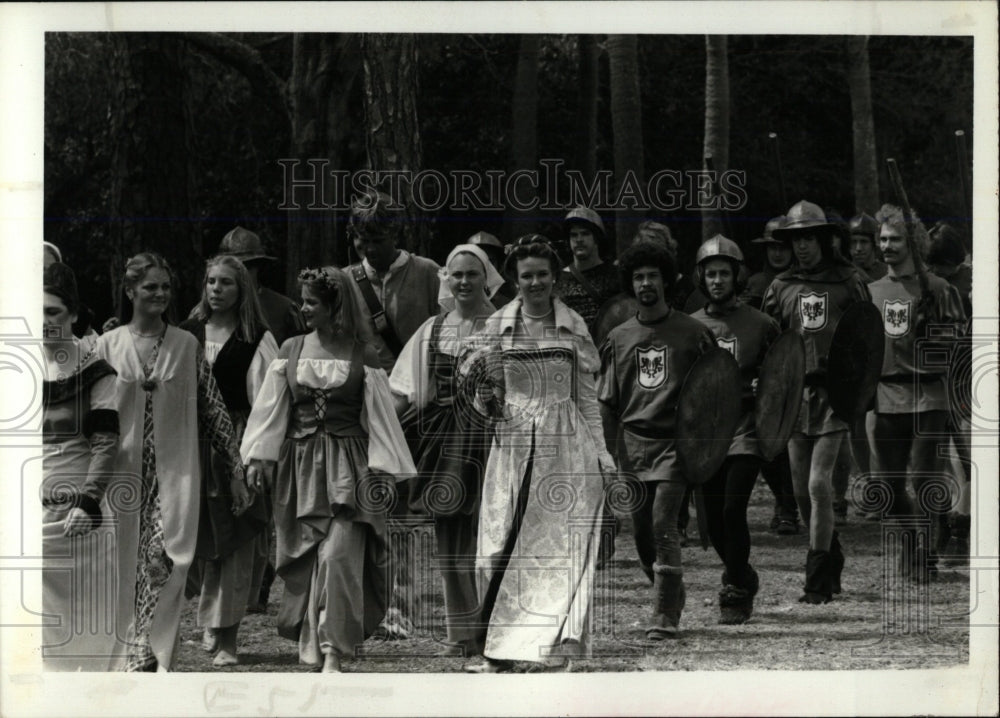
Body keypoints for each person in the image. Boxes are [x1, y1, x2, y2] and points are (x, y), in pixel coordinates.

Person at [241, 266, 417, 673]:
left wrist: (385, 470)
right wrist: (259, 457)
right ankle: (314, 643)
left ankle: (335, 649)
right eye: (302, 300)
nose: (302, 308)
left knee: (339, 555)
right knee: (309, 557)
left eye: (311, 302)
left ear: (335, 306)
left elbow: (380, 419)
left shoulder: (362, 353)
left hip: (350, 465)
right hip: (300, 467)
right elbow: (271, 411)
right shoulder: (290, 349)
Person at [461, 236, 615, 672]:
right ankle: (500, 650)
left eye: (542, 275)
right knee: (499, 546)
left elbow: (587, 400)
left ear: (555, 277)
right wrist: (485, 398)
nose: (534, 283)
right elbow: (486, 393)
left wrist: (602, 457)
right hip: (512, 446)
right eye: (526, 275)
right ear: (515, 277)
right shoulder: (498, 326)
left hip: (565, 446)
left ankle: (549, 648)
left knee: (559, 551)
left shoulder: (573, 326)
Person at [97, 252, 246, 671]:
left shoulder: (185, 344)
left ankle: (149, 646)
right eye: (150, 287)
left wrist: (235, 468)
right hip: (121, 477)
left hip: (173, 475)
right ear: (130, 291)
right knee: (121, 565)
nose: (160, 294)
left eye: (165, 287)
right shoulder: (106, 346)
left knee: (166, 561)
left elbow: (214, 410)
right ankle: (124, 651)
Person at [389, 243, 504, 659]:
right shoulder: (432, 330)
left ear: (486, 277)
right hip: (447, 444)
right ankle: (461, 632)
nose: (464, 282)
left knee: (491, 536)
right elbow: (403, 390)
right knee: (452, 537)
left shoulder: (503, 325)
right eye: (456, 274)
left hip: (494, 442)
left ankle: (494, 631)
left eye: (472, 274)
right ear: (446, 280)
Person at [598, 241, 715, 639]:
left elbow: (715, 392)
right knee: (642, 535)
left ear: (666, 280)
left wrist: (705, 449)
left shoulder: (695, 333)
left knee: (665, 524)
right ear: (631, 283)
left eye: (652, 275)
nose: (646, 282)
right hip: (632, 446)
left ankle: (664, 615)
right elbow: (608, 402)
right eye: (638, 276)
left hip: (675, 446)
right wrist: (609, 455)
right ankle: (671, 590)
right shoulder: (618, 338)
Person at [763, 201, 871, 604]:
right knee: (799, 488)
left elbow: (866, 338)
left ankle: (817, 576)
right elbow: (772, 343)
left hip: (833, 396)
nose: (803, 247)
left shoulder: (849, 281)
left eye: (809, 237)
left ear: (824, 239)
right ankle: (831, 550)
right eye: (795, 239)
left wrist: (856, 391)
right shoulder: (780, 287)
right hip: (795, 397)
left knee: (818, 484)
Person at [346, 189, 441, 640]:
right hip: (362, 411)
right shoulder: (346, 281)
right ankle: (372, 601)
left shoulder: (427, 273)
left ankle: (404, 604)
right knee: (371, 507)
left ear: (396, 234)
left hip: (416, 409)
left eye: (378, 239)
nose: (369, 250)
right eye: (362, 240)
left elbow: (454, 324)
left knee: (404, 510)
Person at [180, 255, 277, 666]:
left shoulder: (256, 338)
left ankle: (228, 637)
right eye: (211, 281)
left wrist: (255, 457)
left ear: (243, 291)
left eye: (226, 283)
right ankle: (211, 617)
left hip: (236, 444)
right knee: (199, 542)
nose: (216, 289)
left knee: (236, 540)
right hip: (188, 446)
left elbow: (268, 404)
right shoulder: (185, 334)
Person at [867, 205, 966, 579]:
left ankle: (925, 552)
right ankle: (912, 541)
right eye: (883, 238)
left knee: (925, 482)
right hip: (886, 396)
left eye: (895, 238)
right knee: (889, 487)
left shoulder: (938, 289)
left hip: (928, 396)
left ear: (912, 242)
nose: (887, 245)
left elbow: (958, 348)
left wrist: (931, 328)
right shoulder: (871, 290)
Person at [690, 236, 781, 624]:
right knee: (710, 517)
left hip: (746, 427)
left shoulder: (761, 324)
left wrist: (767, 385)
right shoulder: (691, 326)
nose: (717, 280)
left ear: (736, 276)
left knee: (732, 509)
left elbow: (782, 373)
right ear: (702, 278)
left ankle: (735, 588)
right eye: (710, 273)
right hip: (708, 433)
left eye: (724, 273)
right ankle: (744, 573)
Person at [41, 262, 121, 671]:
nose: (44, 321)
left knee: (87, 625)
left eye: (53, 312)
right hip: (29, 513)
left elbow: (105, 443)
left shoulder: (95, 371)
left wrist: (87, 502)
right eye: (35, 311)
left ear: (73, 313)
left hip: (78, 514)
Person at [218, 227, 306, 347]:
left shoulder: (286, 310)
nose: (238, 274)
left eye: (246, 267)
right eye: (231, 268)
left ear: (258, 267)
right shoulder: (207, 311)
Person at [557, 207, 620, 333]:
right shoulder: (558, 278)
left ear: (596, 237)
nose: (579, 239)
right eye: (574, 235)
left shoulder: (615, 275)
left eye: (585, 233)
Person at [468, 231, 517, 308]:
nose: (483, 268)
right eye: (477, 261)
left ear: (499, 267)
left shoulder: (510, 307)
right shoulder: (455, 303)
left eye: (489, 262)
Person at [848, 213, 888, 282]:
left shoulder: (886, 272)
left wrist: (868, 280)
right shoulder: (844, 272)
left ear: (874, 244)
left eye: (864, 242)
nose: (858, 248)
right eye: (853, 242)